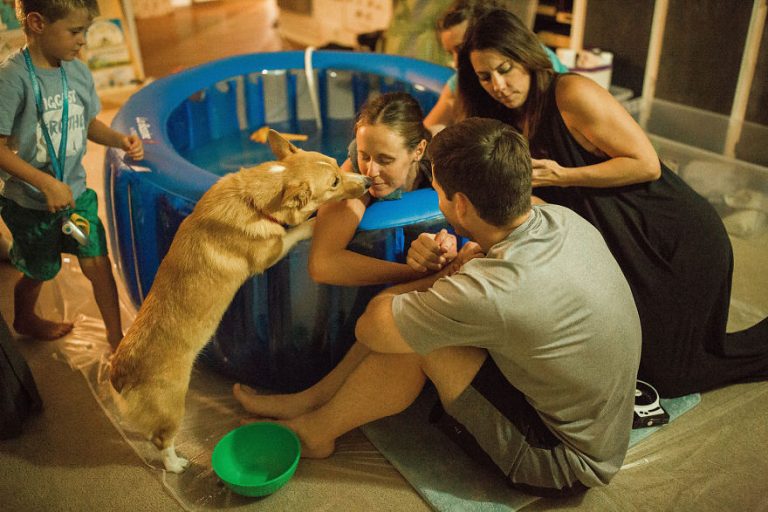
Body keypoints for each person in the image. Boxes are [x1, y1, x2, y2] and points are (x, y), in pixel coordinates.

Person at [234, 118, 642, 496]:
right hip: (599, 425)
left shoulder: (493, 292)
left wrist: (435, 279)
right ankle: (313, 401)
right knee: (421, 322)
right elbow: (497, 275)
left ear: (460, 205)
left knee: (415, 337)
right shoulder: (561, 220)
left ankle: (315, 430)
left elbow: (372, 326)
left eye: (439, 194)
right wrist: (464, 261)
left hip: (561, 461)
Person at [455, 9, 768, 397]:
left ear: (526, 55)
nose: (498, 84)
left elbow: (647, 164)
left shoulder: (571, 93)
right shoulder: (507, 116)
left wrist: (564, 175)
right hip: (623, 244)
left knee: (674, 376)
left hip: (675, 238)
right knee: (640, 364)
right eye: (485, 77)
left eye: (506, 68)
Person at [0, 0, 144, 348]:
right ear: (36, 23)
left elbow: (90, 123)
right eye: (75, 31)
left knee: (95, 258)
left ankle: (116, 339)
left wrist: (119, 140)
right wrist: (46, 184)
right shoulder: (12, 77)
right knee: (41, 268)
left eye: (86, 31)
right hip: (31, 206)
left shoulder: (76, 71)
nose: (83, 42)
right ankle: (25, 318)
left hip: (75, 201)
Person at [307, 91, 438, 287]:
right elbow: (323, 264)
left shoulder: (440, 166)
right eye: (365, 156)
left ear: (418, 151)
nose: (370, 171)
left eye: (385, 160)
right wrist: (415, 275)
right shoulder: (355, 175)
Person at [424, 0, 568, 134]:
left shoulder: (539, 65)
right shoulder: (465, 78)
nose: (456, 62)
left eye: (461, 49)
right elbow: (430, 128)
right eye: (451, 53)